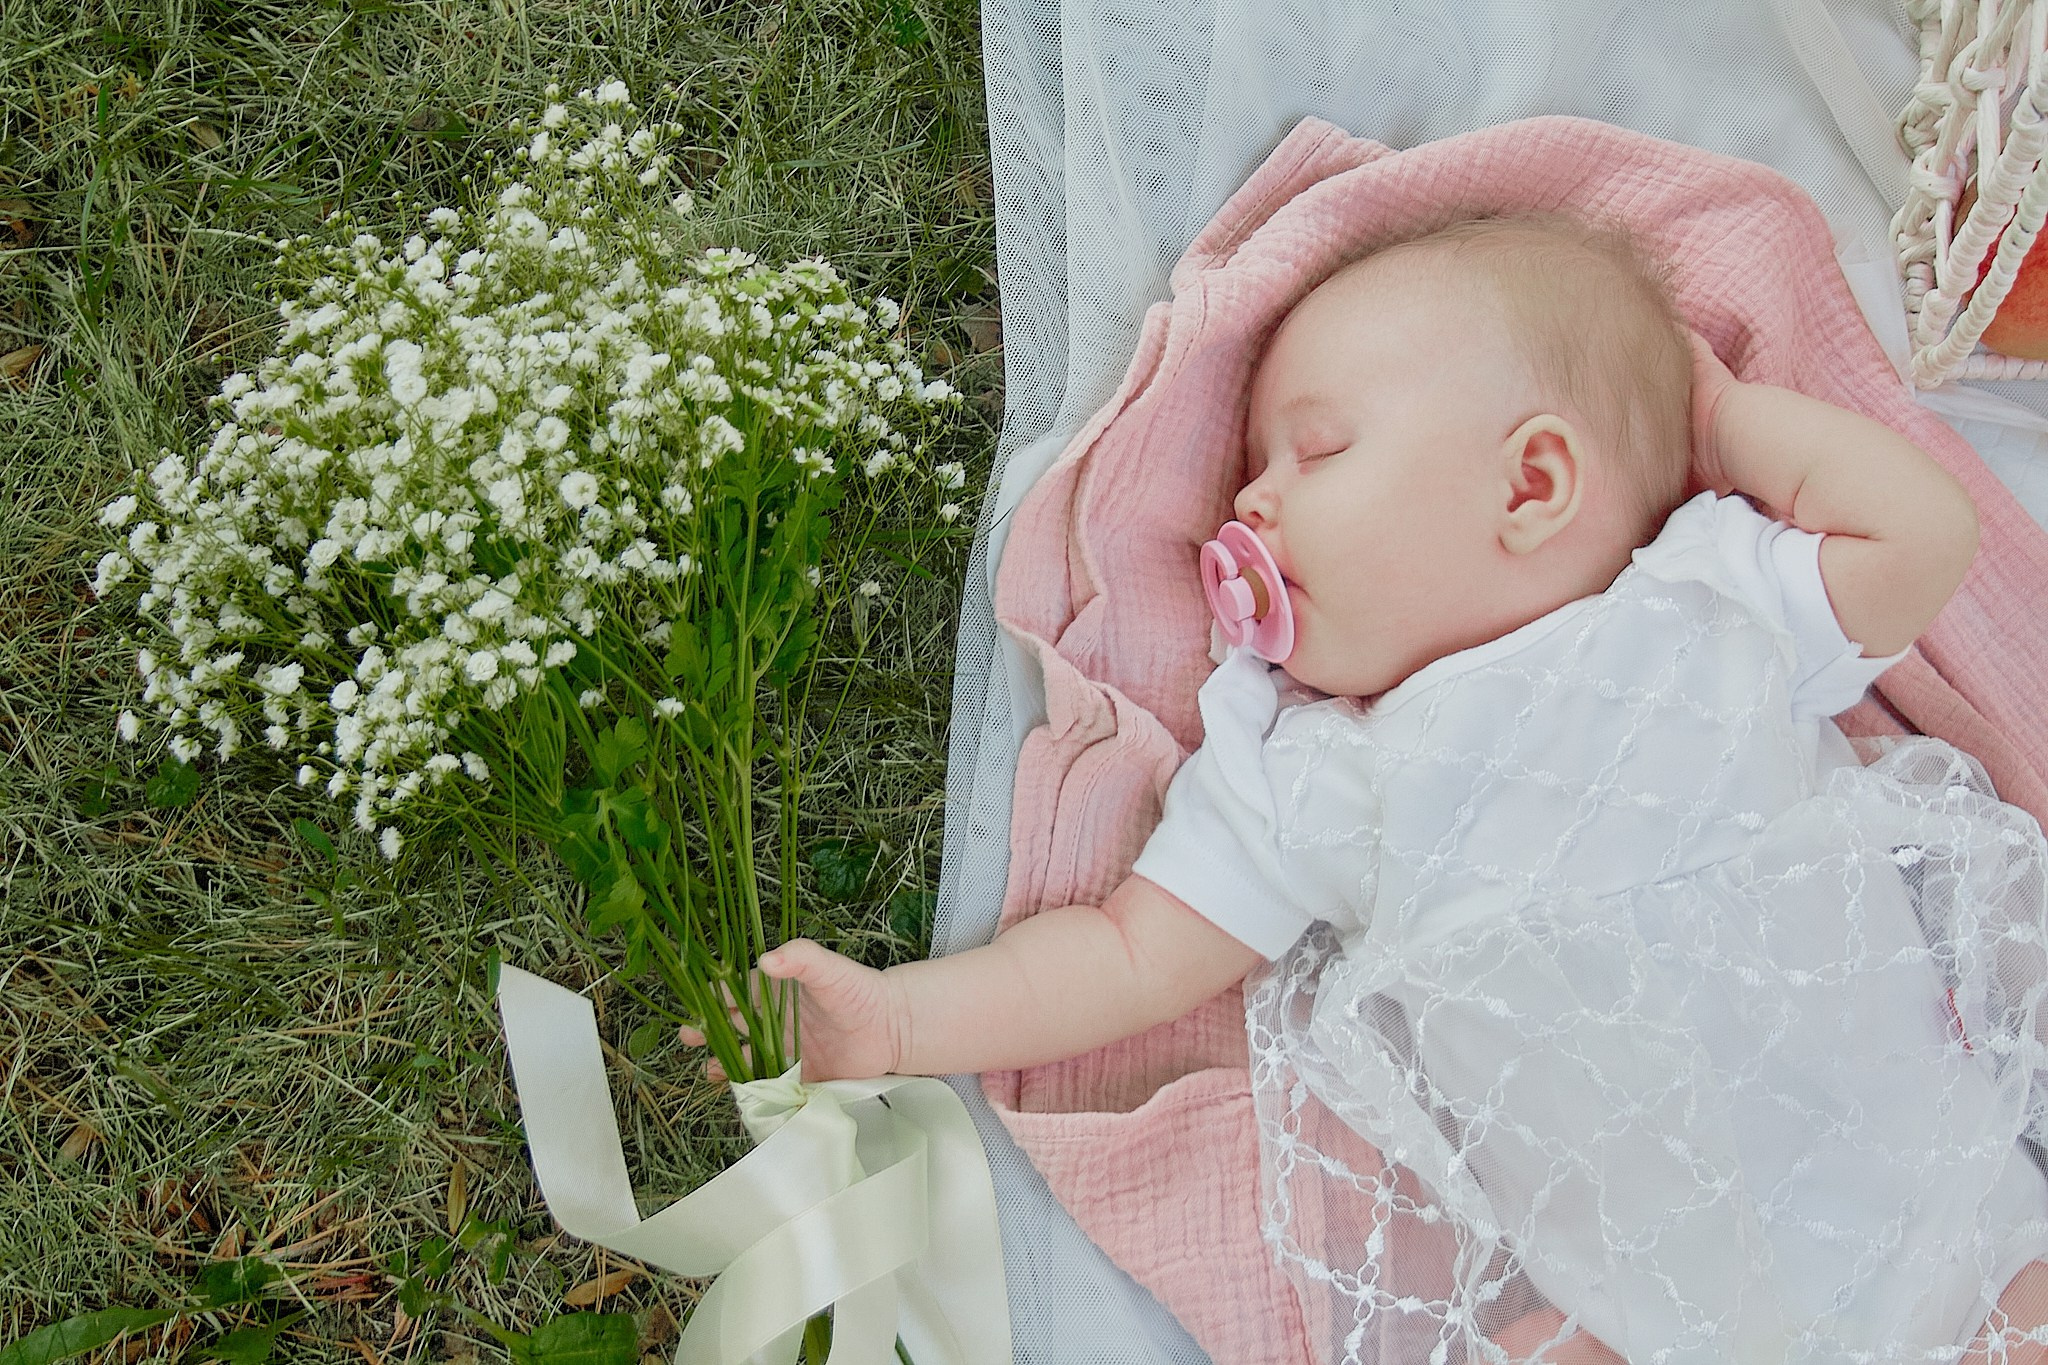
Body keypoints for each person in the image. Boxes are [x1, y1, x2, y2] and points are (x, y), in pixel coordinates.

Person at [680, 213, 2048, 1363]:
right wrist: (898, 1022)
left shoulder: (1705, 599)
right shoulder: (1317, 771)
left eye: (1318, 450)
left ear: (1533, 481)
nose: (1249, 505)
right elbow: (1125, 955)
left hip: (1948, 1225)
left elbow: (1921, 534)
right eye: (1254, 470)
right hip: (1662, 1310)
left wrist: (1726, 418)